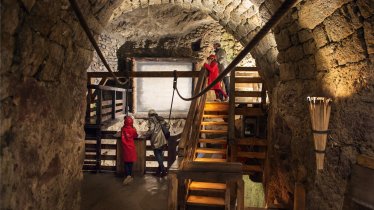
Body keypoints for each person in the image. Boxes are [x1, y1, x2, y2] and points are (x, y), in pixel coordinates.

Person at [145, 109, 169, 177]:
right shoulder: (160, 119)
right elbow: (167, 126)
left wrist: (146, 134)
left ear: (149, 114)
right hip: (163, 139)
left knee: (157, 155)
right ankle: (158, 172)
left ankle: (163, 171)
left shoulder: (151, 119)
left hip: (156, 139)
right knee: (160, 156)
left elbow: (151, 130)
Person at [121, 116, 138, 185]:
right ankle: (129, 175)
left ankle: (128, 176)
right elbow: (136, 136)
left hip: (125, 147)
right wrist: (134, 129)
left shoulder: (123, 129)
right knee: (130, 162)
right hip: (131, 147)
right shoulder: (133, 130)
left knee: (126, 162)